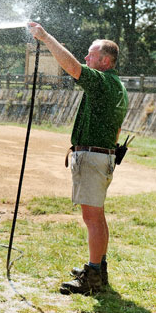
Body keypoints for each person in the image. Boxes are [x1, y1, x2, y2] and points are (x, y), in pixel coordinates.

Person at [28, 22, 129, 295]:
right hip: (103, 156)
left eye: (91, 54)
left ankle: (93, 275)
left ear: (105, 61)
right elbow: (117, 128)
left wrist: (46, 37)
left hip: (93, 157)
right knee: (97, 216)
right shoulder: (117, 86)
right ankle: (99, 268)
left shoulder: (102, 82)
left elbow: (73, 68)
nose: (86, 58)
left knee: (92, 217)